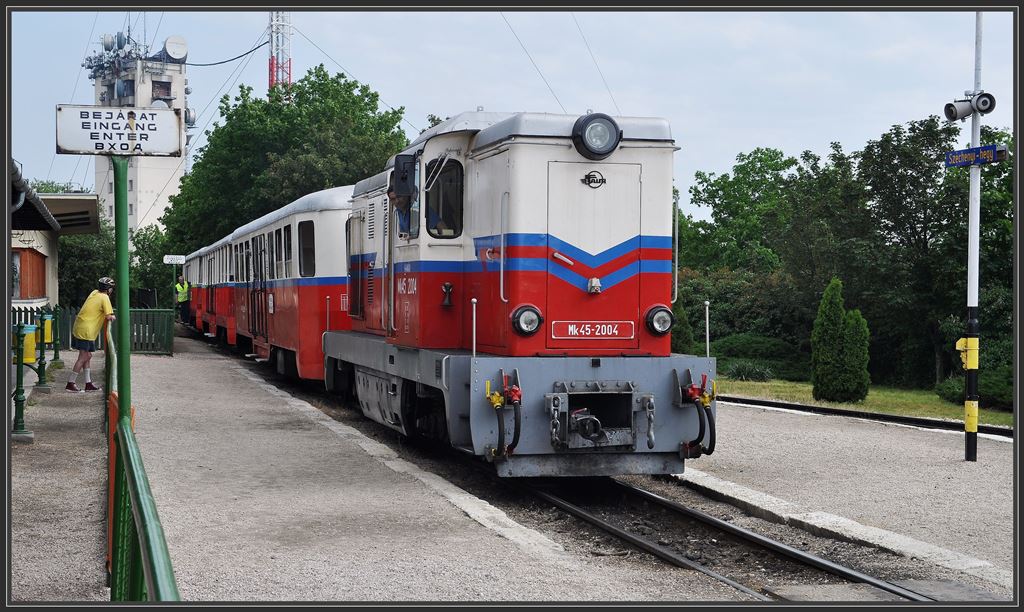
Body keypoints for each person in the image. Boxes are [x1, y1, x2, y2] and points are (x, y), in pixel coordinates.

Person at [66, 276, 116, 393]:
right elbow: (109, 315)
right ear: (108, 289)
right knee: (83, 357)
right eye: (111, 289)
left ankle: (88, 384)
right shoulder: (105, 298)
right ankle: (70, 383)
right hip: (86, 331)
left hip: (80, 327)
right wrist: (113, 317)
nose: (112, 291)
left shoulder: (94, 293)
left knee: (87, 356)